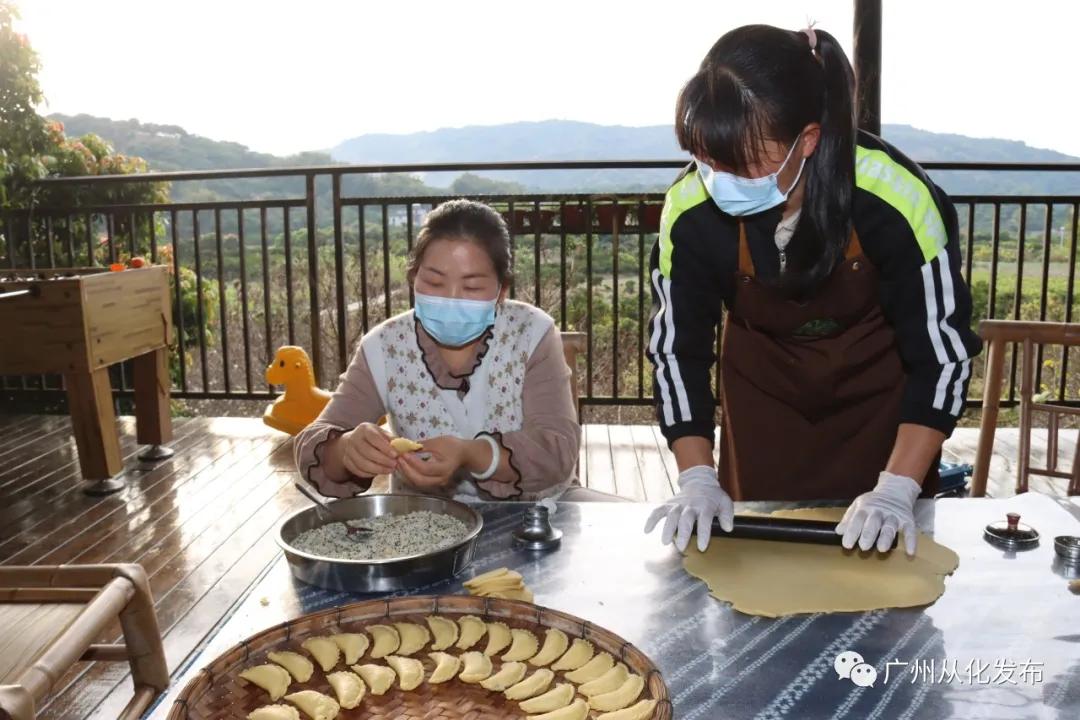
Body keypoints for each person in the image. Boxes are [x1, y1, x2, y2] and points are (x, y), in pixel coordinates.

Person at [643, 24, 982, 556]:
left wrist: (897, 490)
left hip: (878, 406)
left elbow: (943, 357)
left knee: (885, 593)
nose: (716, 178)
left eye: (742, 161)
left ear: (807, 140)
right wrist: (696, 477)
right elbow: (675, 351)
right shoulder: (689, 210)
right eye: (705, 157)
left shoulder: (894, 197)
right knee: (757, 569)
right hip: (762, 399)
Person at [294, 199, 609, 502]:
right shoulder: (383, 347)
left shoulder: (532, 334)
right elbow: (313, 441)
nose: (452, 299)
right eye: (434, 282)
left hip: (536, 514)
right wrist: (346, 449)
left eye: (471, 287)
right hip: (425, 520)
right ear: (413, 279)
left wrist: (471, 453)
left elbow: (557, 452)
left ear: (501, 292)